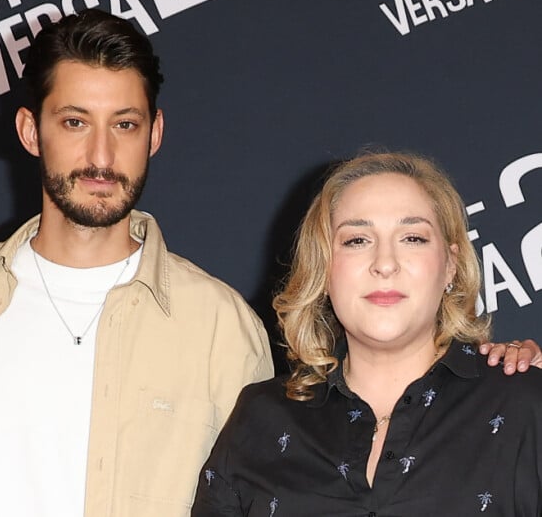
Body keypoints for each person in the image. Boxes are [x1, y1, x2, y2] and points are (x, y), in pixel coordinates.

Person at [0, 9, 274, 517]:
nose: (101, 156)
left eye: (125, 124)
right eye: (75, 122)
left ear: (154, 134)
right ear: (30, 131)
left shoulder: (220, 326)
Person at [192, 151, 542, 516]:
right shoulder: (260, 420)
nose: (385, 264)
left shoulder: (525, 407)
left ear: (451, 264)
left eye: (413, 238)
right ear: (323, 268)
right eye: (357, 240)